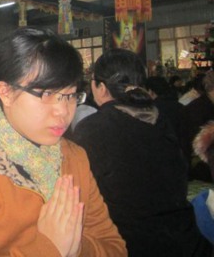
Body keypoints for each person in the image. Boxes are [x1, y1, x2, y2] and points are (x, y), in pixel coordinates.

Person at [0, 27, 126, 256]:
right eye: (47, 94)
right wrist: (48, 248)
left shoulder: (74, 157)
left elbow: (114, 248)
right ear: (6, 92)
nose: (63, 111)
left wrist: (76, 248)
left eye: (70, 95)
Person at [73, 48, 210, 257]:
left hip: (130, 245)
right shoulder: (165, 118)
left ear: (100, 87)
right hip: (186, 241)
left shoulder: (92, 128)